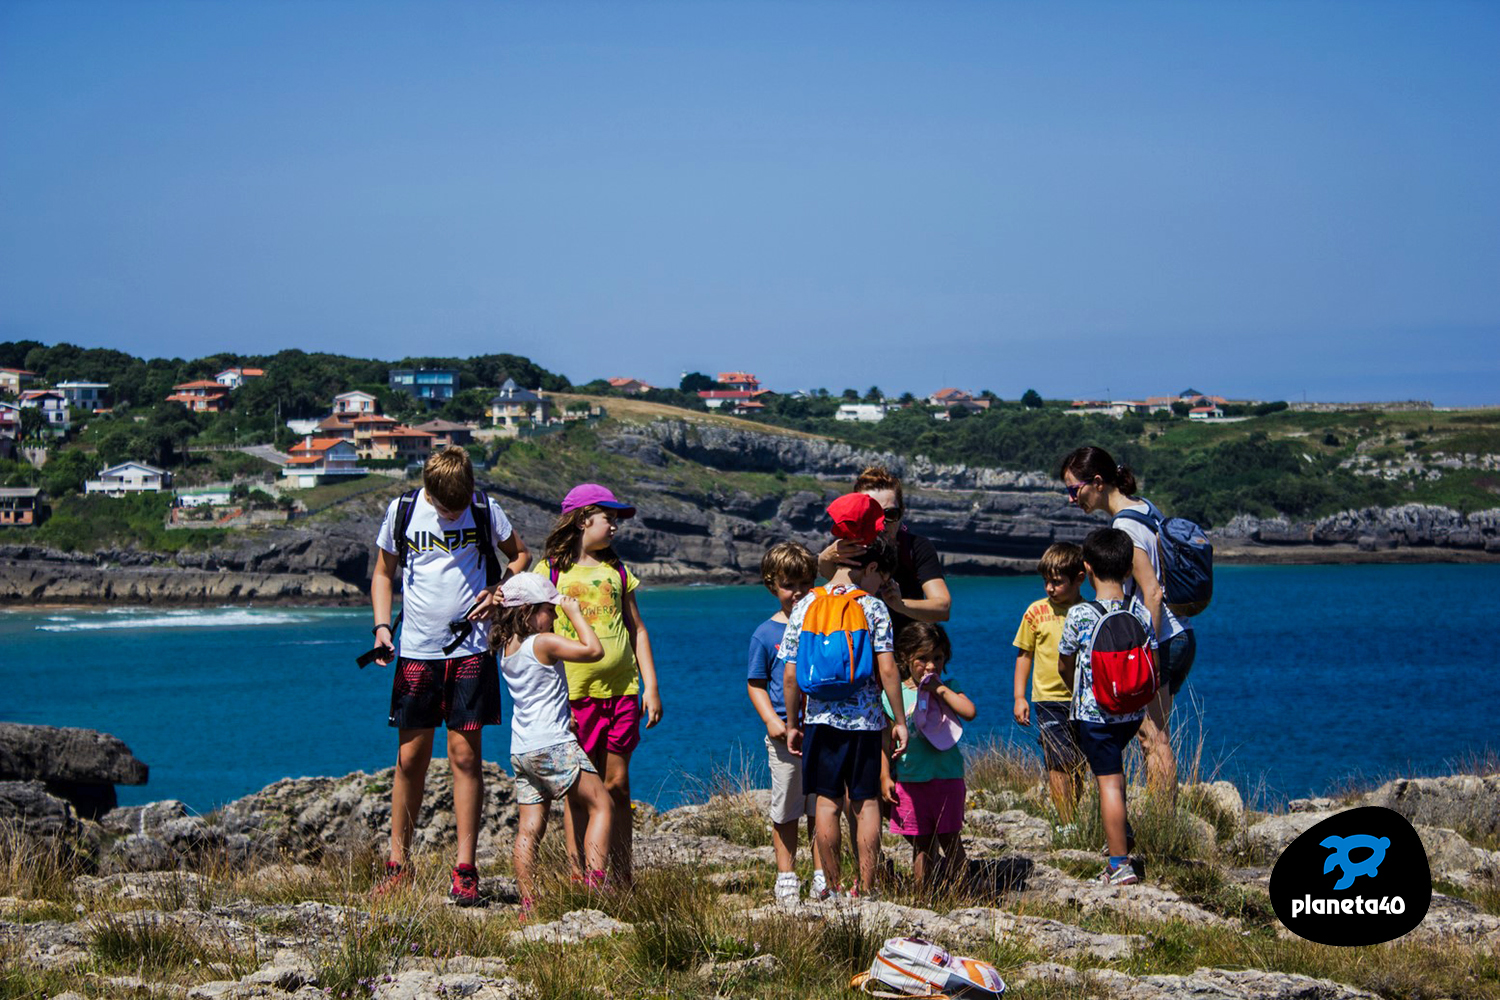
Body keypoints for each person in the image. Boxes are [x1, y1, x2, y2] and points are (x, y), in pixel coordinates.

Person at [369, 445, 531, 905]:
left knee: (465, 760)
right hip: (417, 654)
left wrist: (499, 589)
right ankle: (398, 864)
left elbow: (521, 556)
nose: (452, 513)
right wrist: (382, 627)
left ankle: (466, 870)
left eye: (458, 507)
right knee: (410, 762)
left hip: (472, 652)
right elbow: (383, 574)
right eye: (445, 508)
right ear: (429, 490)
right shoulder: (402, 511)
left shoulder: (484, 509)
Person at [535, 483, 662, 886]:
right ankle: (581, 874)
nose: (615, 527)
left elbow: (637, 630)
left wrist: (652, 687)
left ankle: (622, 875)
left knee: (617, 785)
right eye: (609, 518)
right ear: (583, 518)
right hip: (573, 697)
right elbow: (533, 632)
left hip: (622, 691)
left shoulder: (618, 572)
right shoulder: (550, 572)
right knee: (579, 790)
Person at [1059, 446, 1195, 797]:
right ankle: (1163, 817)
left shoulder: (1124, 527)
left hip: (1160, 638)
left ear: (1098, 483)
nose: (1073, 499)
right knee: (1154, 731)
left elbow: (1151, 591)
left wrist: (1140, 648)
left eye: (1075, 490)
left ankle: (1163, 821)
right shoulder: (1145, 508)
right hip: (1178, 633)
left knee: (1153, 737)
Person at [783, 538, 910, 900]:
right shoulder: (872, 607)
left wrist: (794, 723)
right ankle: (867, 888)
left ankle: (831, 887)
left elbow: (790, 676)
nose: (880, 587)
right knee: (865, 802)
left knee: (826, 803)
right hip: (866, 723)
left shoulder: (805, 603)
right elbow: (887, 670)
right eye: (880, 578)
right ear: (870, 568)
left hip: (820, 721)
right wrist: (898, 719)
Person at [492, 574, 614, 918]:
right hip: (553, 745)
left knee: (530, 828)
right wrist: (575, 612)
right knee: (602, 805)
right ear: (529, 611)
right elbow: (594, 651)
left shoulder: (506, 648)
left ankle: (529, 901)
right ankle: (596, 882)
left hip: (522, 749)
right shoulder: (542, 642)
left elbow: (539, 692)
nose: (555, 616)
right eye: (550, 609)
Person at [1058, 527, 1158, 886]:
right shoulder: (1141, 612)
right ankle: (1122, 833)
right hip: (1130, 714)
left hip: (1094, 714)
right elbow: (1154, 663)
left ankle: (1119, 864)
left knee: (1110, 784)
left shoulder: (1080, 615)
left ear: (1086, 568)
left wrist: (1074, 688)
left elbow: (1065, 662)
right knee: (1115, 777)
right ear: (1129, 569)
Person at [746, 541, 825, 907]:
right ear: (772, 585)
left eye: (805, 584)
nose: (798, 593)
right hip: (785, 735)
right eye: (789, 585)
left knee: (821, 806)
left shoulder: (825, 625)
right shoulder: (765, 634)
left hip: (823, 728)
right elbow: (756, 682)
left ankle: (824, 874)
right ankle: (787, 876)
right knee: (787, 806)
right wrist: (771, 721)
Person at [880, 622, 975, 894]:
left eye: (938, 658)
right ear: (905, 658)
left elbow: (969, 712)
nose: (931, 665)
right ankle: (924, 896)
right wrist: (885, 776)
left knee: (951, 839)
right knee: (921, 843)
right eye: (922, 659)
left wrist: (940, 690)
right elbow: (885, 740)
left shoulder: (950, 686)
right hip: (911, 779)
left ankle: (963, 893)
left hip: (947, 777)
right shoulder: (895, 694)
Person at [818, 466, 950, 634]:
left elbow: (942, 607)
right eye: (872, 513)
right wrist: (824, 558)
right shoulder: (844, 549)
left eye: (890, 514)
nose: (881, 522)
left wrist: (901, 605)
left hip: (905, 651)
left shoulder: (916, 548)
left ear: (901, 513)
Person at [1012, 543, 1088, 824]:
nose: (1049, 588)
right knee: (1058, 761)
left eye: (1057, 582)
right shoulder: (1035, 612)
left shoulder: (1089, 612)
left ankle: (1074, 817)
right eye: (1046, 581)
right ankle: (1066, 823)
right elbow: (1024, 654)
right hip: (1047, 699)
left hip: (1083, 700)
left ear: (1080, 578)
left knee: (1078, 763)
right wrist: (1020, 697)